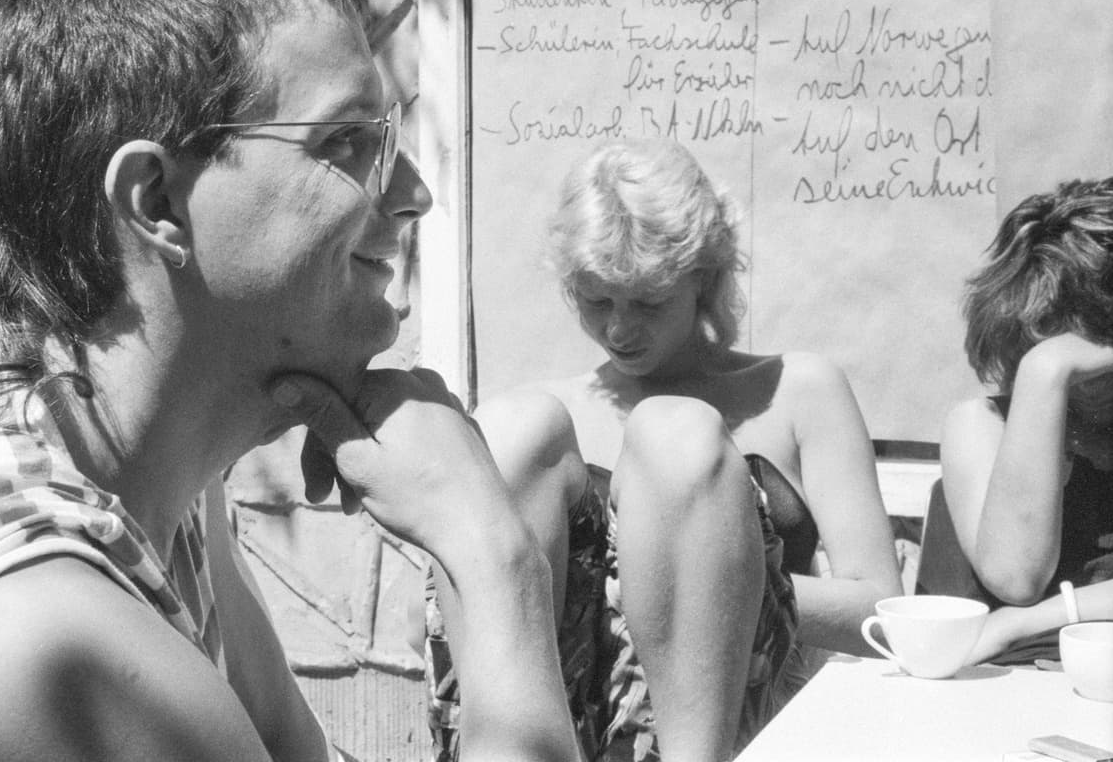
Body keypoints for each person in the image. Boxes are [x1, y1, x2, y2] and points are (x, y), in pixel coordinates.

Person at [0, 0, 580, 762]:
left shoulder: (79, 424)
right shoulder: (44, 635)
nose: (413, 193)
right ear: (157, 202)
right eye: (345, 142)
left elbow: (288, 748)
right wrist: (493, 557)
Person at [427, 138, 901, 762]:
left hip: (733, 723)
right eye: (597, 301)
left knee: (675, 437)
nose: (619, 330)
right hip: (560, 727)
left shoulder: (797, 390)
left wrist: (716, 584)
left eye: (648, 302)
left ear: (702, 281)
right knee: (513, 429)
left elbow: (885, 613)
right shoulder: (550, 422)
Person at [937, 177, 1113, 664]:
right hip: (1016, 692)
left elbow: (1020, 609)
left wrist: (1031, 621)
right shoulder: (982, 424)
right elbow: (1017, 578)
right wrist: (1045, 374)